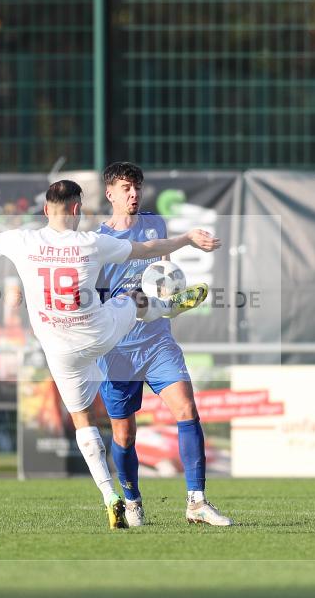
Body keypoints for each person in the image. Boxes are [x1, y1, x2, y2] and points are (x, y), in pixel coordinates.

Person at [0, 179, 219, 529]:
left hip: (60, 349)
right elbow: (147, 248)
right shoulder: (91, 242)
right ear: (77, 210)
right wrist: (186, 239)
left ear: (47, 209)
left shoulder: (22, 240)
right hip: (101, 334)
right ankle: (161, 307)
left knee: (82, 421)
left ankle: (110, 496)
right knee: (134, 300)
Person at [94, 161, 232, 527]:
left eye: (136, 187)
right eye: (125, 188)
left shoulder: (155, 225)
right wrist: (126, 306)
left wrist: (171, 300)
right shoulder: (97, 240)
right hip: (118, 349)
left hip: (157, 343)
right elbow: (95, 299)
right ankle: (133, 499)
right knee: (124, 433)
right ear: (110, 193)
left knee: (186, 408)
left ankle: (196, 501)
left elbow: (166, 278)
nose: (133, 194)